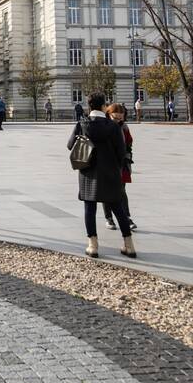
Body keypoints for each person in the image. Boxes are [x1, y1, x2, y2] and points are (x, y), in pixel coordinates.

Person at [68, 92, 136, 259]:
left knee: (89, 208)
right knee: (118, 208)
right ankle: (129, 245)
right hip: (110, 171)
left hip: (88, 172)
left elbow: (70, 145)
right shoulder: (113, 126)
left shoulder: (82, 124)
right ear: (104, 106)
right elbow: (121, 151)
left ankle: (93, 245)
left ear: (89, 106)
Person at [103, 103, 136, 232]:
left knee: (122, 191)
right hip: (107, 163)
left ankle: (127, 217)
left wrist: (127, 157)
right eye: (115, 118)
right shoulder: (104, 126)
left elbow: (129, 144)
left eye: (120, 118)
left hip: (122, 163)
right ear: (108, 115)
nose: (118, 121)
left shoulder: (124, 128)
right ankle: (109, 218)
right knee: (106, 192)